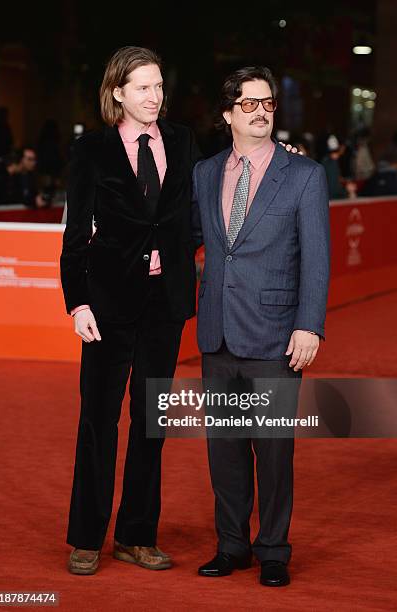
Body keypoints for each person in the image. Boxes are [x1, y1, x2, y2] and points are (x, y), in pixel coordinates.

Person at [60, 46, 202, 575]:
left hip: (164, 306)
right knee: (99, 421)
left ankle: (136, 535)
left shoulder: (184, 141)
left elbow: (196, 206)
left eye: (160, 86)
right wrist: (77, 302)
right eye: (143, 87)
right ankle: (86, 537)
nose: (155, 96)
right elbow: (74, 238)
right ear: (117, 92)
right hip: (108, 303)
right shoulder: (91, 150)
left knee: (151, 424)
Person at [191, 66, 330, 587]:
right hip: (218, 334)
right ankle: (232, 546)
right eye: (247, 104)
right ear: (228, 114)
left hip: (276, 335)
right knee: (224, 450)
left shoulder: (305, 175)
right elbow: (185, 235)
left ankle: (273, 548)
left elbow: (317, 258)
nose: (259, 112)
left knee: (273, 451)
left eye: (266, 103)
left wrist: (309, 326)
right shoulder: (204, 173)